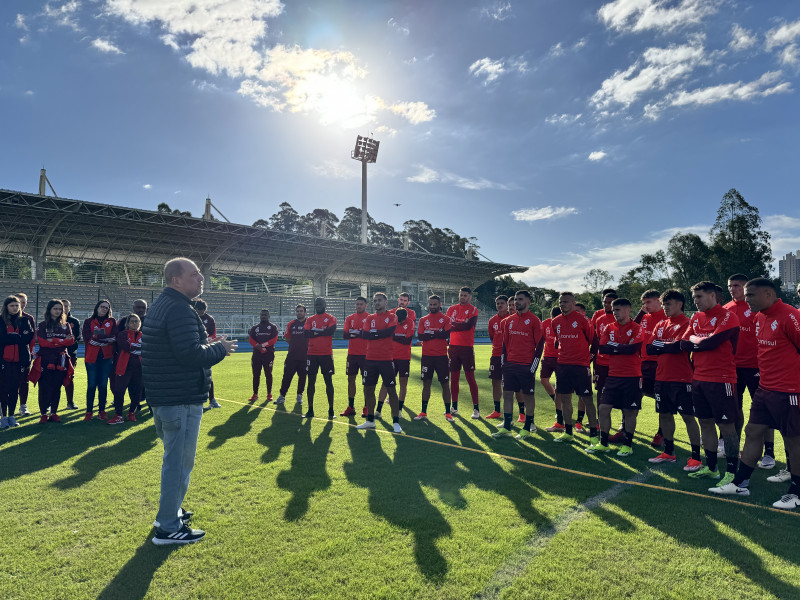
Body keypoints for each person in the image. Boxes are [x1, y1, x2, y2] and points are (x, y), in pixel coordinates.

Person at [142, 257, 237, 545]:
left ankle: (170, 512)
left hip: (166, 396)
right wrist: (219, 349)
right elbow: (190, 354)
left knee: (176, 460)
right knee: (178, 463)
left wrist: (210, 346)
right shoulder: (179, 309)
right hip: (179, 398)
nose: (201, 278)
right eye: (194, 274)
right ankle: (168, 527)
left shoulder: (164, 304)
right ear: (176, 280)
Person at [709, 278, 800, 509]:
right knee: (752, 431)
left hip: (789, 391)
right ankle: (741, 483)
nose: (746, 299)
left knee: (793, 440)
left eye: (751, 295)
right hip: (765, 389)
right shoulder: (759, 316)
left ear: (769, 294)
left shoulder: (790, 315)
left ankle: (796, 491)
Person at [680, 281, 741, 485]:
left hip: (721, 379)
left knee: (726, 426)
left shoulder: (728, 316)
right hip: (698, 378)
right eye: (694, 297)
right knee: (705, 423)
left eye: (699, 297)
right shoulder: (696, 317)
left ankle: (732, 472)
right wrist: (700, 341)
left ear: (713, 296)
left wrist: (698, 341)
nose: (695, 301)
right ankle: (712, 468)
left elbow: (711, 342)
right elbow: (683, 343)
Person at [645, 290, 703, 470]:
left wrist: (663, 345)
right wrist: (667, 346)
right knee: (665, 415)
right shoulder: (661, 324)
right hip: (661, 377)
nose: (665, 308)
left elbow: (680, 347)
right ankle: (669, 452)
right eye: (663, 304)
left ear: (680, 304)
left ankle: (696, 457)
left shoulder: (688, 323)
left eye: (668, 304)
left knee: (688, 417)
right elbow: (649, 347)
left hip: (683, 378)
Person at [724, 273, 776, 468]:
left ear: (746, 287)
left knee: (763, 410)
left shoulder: (758, 308)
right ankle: (733, 446)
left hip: (756, 367)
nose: (732, 288)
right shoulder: (726, 310)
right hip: (732, 367)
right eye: (730, 285)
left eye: (736, 285)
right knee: (734, 408)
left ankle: (769, 452)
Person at [586, 298, 643, 456]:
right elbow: (603, 348)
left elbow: (632, 349)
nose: (615, 313)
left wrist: (615, 346)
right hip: (613, 375)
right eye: (613, 309)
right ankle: (603, 443)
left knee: (629, 412)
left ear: (627, 310)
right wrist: (622, 346)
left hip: (632, 376)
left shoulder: (637, 328)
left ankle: (628, 445)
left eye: (618, 310)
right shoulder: (609, 328)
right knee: (604, 409)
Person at [492, 290, 544, 440]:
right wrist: (504, 362)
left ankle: (527, 427)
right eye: (515, 299)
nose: (517, 302)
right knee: (507, 395)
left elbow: (539, 346)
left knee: (528, 396)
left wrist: (533, 367)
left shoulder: (534, 321)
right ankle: (507, 427)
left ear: (528, 302)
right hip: (510, 365)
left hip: (526, 365)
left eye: (520, 299)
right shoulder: (508, 321)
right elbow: (504, 344)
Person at [550, 292, 597, 443]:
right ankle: (568, 432)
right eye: (560, 302)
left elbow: (593, 341)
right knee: (564, 399)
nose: (562, 304)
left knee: (587, 399)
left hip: (580, 366)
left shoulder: (583, 320)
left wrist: (587, 359)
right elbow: (558, 341)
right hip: (563, 365)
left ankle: (594, 435)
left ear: (573, 303)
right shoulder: (555, 321)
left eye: (565, 302)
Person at [356, 293, 402, 433]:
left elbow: (389, 332)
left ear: (386, 302)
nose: (377, 303)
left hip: (386, 360)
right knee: (368, 390)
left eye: (379, 301)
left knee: (391, 390)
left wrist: (374, 333)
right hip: (370, 359)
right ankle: (370, 420)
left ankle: (395, 422)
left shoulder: (392, 316)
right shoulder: (370, 318)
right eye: (375, 301)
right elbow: (365, 335)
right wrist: (378, 333)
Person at [33, 299, 75, 423]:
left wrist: (54, 340)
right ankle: (43, 414)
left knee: (57, 387)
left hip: (61, 360)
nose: (57, 311)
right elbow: (43, 343)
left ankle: (54, 413)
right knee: (44, 387)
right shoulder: (43, 325)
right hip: (45, 360)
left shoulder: (66, 325)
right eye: (55, 309)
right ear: (49, 310)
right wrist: (62, 341)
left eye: (59, 309)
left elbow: (71, 341)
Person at [634, 290, 667, 447]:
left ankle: (661, 433)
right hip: (643, 363)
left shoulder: (667, 317)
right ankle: (626, 428)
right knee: (634, 394)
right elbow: (631, 328)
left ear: (658, 301)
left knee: (661, 399)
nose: (645, 306)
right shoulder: (645, 317)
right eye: (644, 303)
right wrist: (641, 312)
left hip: (660, 363)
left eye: (648, 302)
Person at [415, 295, 453, 421]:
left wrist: (430, 333)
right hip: (427, 357)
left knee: (445, 384)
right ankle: (423, 412)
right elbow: (420, 336)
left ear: (439, 304)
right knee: (426, 384)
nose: (432, 307)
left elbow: (446, 334)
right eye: (430, 304)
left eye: (434, 304)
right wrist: (437, 333)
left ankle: (448, 412)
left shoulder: (446, 319)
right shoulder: (423, 320)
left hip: (441, 357)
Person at [0, 296, 35, 428]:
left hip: (19, 362)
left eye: (17, 305)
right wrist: (19, 337)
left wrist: (13, 337)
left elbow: (29, 337)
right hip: (4, 361)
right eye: (12, 305)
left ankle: (11, 416)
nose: (15, 308)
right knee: (3, 389)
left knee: (14, 389)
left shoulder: (24, 320)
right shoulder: (1, 320)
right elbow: (2, 339)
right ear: (6, 307)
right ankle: (3, 417)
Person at [446, 287, 481, 419]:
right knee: (454, 379)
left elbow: (468, 326)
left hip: (467, 347)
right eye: (461, 295)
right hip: (453, 347)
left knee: (470, 378)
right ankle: (454, 407)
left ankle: (476, 409)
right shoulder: (451, 309)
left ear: (470, 297)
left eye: (465, 295)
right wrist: (459, 324)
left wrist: (455, 324)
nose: (463, 297)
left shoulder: (473, 309)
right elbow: (448, 325)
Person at [82, 299, 117, 421]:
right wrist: (103, 340)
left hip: (106, 358)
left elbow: (113, 337)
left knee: (103, 385)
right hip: (92, 358)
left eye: (106, 308)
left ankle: (102, 411)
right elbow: (87, 338)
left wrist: (97, 338)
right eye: (102, 307)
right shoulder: (88, 321)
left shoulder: (112, 321)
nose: (104, 309)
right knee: (91, 385)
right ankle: (89, 411)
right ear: (97, 307)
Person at [303, 297, 337, 419]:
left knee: (328, 382)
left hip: (326, 354)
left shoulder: (331, 318)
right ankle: (310, 410)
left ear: (325, 305)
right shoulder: (310, 319)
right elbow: (306, 333)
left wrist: (315, 332)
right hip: (312, 354)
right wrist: (322, 330)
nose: (318, 305)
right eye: (316, 304)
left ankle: (331, 410)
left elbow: (330, 332)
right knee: (311, 382)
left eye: (320, 304)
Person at [377, 307, 415, 415]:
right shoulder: (392, 321)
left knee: (403, 384)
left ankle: (399, 410)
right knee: (385, 383)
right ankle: (378, 410)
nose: (400, 322)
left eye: (402, 320)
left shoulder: (410, 322)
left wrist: (392, 336)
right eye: (399, 320)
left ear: (406, 317)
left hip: (404, 358)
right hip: (391, 357)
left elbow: (407, 341)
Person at [108, 313, 143, 424]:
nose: (134, 323)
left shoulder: (143, 335)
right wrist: (138, 347)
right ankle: (118, 415)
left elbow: (147, 348)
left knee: (137, 391)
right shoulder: (122, 334)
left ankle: (131, 413)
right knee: (119, 391)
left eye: (136, 321)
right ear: (127, 323)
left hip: (139, 368)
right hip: (124, 367)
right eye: (132, 321)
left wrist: (134, 346)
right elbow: (127, 347)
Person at [593, 292, 619, 439]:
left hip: (617, 364)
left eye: (610, 302)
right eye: (604, 302)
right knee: (600, 391)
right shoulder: (600, 318)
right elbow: (596, 340)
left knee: (620, 394)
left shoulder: (623, 320)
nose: (606, 305)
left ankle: (622, 426)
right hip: (601, 362)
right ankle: (599, 421)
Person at [341, 297, 370, 417]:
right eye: (357, 304)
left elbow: (368, 334)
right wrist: (359, 332)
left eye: (361, 304)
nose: (358, 306)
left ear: (365, 305)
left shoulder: (370, 318)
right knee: (350, 380)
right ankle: (351, 407)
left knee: (367, 382)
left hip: (366, 355)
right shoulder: (350, 318)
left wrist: (355, 332)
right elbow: (345, 335)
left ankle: (367, 407)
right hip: (352, 354)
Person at [275, 304, 308, 405]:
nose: (299, 313)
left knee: (302, 377)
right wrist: (296, 346)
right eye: (297, 311)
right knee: (287, 376)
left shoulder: (309, 324)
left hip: (305, 356)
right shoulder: (291, 324)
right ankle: (282, 396)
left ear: (305, 312)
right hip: (292, 356)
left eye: (301, 311)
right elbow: (287, 338)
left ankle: (299, 396)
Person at [486, 295, 511, 420]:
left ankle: (521, 413)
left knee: (510, 384)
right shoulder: (492, 321)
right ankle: (496, 410)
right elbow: (492, 337)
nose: (499, 305)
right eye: (498, 303)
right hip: (496, 355)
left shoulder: (511, 319)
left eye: (502, 303)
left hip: (509, 356)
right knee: (495, 382)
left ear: (507, 304)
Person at [192, 300, 220, 409]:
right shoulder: (190, 318)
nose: (202, 313)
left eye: (203, 311)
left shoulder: (209, 319)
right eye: (200, 311)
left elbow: (213, 334)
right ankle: (194, 401)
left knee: (207, 375)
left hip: (205, 350)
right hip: (192, 350)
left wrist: (206, 340)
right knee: (193, 375)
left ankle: (212, 399)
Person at [248, 309, 278, 403]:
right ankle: (255, 394)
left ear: (269, 316)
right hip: (257, 355)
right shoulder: (255, 328)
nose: (263, 316)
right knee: (256, 375)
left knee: (268, 374)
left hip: (268, 355)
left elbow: (274, 339)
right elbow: (251, 339)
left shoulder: (273, 327)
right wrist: (258, 347)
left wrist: (263, 346)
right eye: (262, 315)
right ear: (260, 316)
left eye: (265, 315)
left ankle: (269, 394)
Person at [13, 292, 36, 417]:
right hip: (7, 356)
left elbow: (31, 338)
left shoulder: (28, 318)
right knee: (7, 382)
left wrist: (30, 353)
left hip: (24, 355)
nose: (21, 305)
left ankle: (23, 406)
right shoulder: (4, 317)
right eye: (19, 302)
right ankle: (5, 408)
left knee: (23, 381)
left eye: (24, 302)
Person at [538, 306, 562, 412]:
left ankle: (559, 410)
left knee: (559, 385)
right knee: (543, 380)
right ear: (550, 316)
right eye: (553, 318)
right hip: (547, 357)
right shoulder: (545, 323)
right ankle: (556, 400)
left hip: (561, 358)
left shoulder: (564, 323)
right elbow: (541, 339)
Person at [62, 299, 82, 411]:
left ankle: (70, 402)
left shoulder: (74, 321)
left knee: (69, 378)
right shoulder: (52, 320)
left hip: (70, 354)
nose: (64, 308)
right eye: (62, 306)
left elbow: (77, 336)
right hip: (55, 354)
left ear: (69, 307)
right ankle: (50, 404)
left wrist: (67, 341)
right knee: (53, 379)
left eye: (66, 306)